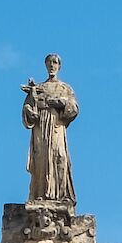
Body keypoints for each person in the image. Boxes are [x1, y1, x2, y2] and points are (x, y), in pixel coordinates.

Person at [23, 54, 79, 207]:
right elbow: (28, 107)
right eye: (49, 63)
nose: (52, 65)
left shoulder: (64, 88)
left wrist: (60, 103)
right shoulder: (38, 88)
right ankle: (40, 194)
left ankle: (61, 195)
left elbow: (74, 108)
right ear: (45, 65)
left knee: (59, 156)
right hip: (41, 126)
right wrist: (30, 110)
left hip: (56, 125)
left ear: (59, 66)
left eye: (55, 63)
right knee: (41, 159)